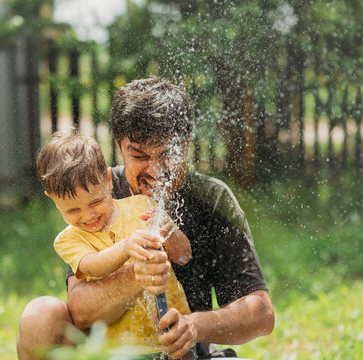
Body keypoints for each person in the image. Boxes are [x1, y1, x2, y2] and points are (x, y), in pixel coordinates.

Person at [17, 78, 274, 360]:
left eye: (165, 155)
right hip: (111, 353)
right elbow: (80, 312)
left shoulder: (211, 199)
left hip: (183, 354)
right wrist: (135, 274)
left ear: (185, 147)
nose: (154, 170)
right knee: (41, 315)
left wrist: (194, 326)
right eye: (139, 155)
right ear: (119, 146)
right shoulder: (97, 196)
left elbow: (260, 314)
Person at [36, 131, 192, 356]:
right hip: (120, 349)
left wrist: (171, 234)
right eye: (73, 210)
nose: (88, 216)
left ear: (109, 179)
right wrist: (126, 247)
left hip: (174, 331)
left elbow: (183, 256)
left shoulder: (141, 206)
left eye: (96, 201)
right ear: (51, 198)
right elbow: (91, 265)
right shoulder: (69, 239)